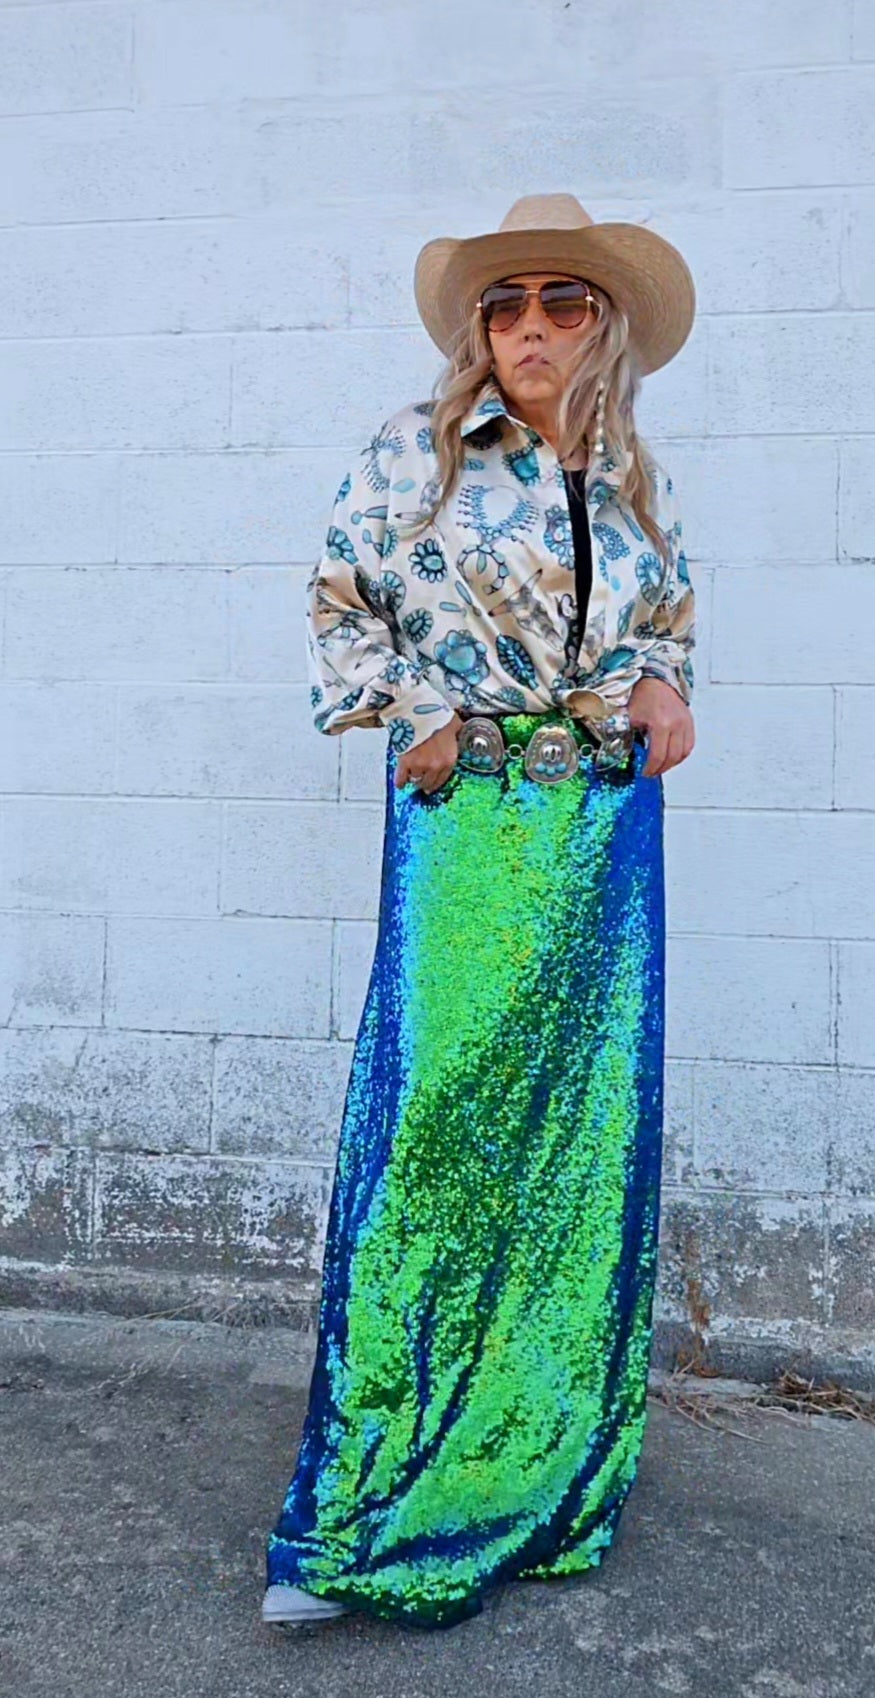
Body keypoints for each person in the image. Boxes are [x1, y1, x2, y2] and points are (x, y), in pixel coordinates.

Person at [261, 192, 697, 1632]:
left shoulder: (633, 471)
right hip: (470, 821)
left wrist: (665, 683)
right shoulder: (419, 449)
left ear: (603, 325)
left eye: (562, 302)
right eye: (505, 305)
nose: (529, 328)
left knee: (578, 1147)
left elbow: (668, 619)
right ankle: (368, 1500)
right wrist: (416, 708)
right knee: (437, 1131)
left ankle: (543, 1476)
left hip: (604, 829)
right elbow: (339, 601)